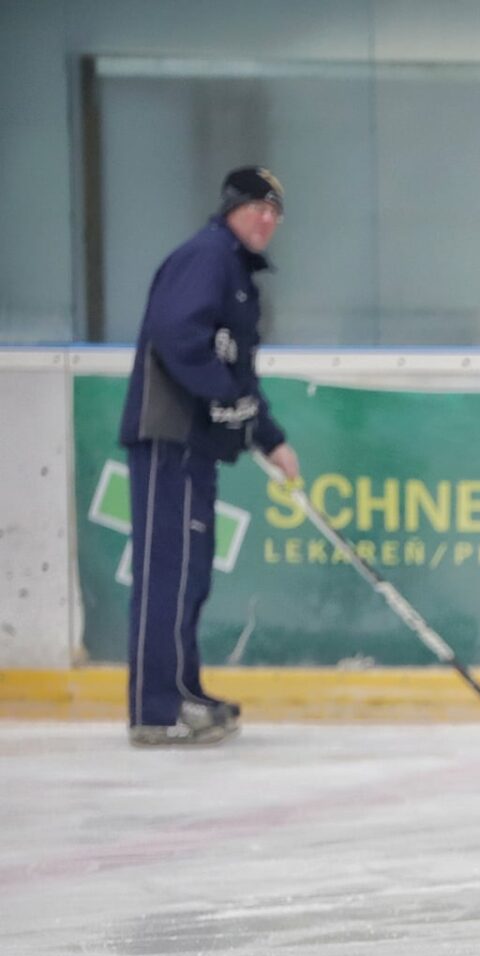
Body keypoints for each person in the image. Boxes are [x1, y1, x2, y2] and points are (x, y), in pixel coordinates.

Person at [118, 166, 300, 747]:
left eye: (275, 211)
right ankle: (155, 708)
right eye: (256, 207)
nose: (266, 219)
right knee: (166, 573)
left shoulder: (238, 276)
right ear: (230, 209)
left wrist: (269, 436)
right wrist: (225, 400)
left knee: (191, 575)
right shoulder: (207, 258)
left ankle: (182, 689)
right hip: (169, 437)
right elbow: (179, 336)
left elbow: (238, 375)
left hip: (197, 446)